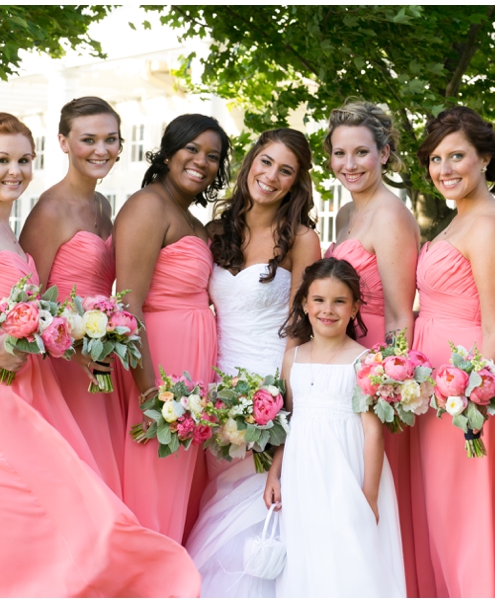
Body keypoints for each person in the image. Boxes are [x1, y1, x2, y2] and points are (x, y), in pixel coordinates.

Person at [0, 113, 200, 597]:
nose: (15, 170)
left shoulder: (2, 226)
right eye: (2, 160)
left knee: (48, 513)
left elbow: (36, 307)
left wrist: (77, 343)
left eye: (24, 159)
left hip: (14, 387)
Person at [184, 128, 320, 597]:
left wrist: (284, 399)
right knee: (221, 497)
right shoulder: (215, 231)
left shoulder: (302, 239)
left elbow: (301, 328)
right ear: (250, 164)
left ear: (297, 182)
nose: (271, 176)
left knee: (262, 504)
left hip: (270, 387)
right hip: (216, 386)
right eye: (265, 162)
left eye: (286, 170)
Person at [412, 105, 495, 597]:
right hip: (431, 383)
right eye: (436, 159)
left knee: (462, 512)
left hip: (464, 393)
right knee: (437, 507)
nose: (445, 169)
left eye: (457, 156)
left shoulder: (491, 226)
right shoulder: (457, 220)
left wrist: (473, 400)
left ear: (484, 160)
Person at [323, 99, 424, 595]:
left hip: (372, 374)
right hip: (338, 361)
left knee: (370, 489)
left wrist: (386, 388)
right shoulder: (346, 212)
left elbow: (402, 313)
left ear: (385, 154)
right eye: (340, 153)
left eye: (361, 152)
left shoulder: (390, 216)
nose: (350, 164)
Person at [115, 113, 230, 544]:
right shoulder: (148, 206)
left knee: (182, 481)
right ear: (168, 152)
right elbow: (128, 303)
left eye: (212, 156)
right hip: (161, 368)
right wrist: (150, 394)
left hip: (193, 369)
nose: (201, 161)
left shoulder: (189, 217)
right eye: (192, 149)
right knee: (155, 477)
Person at [264, 258, 405, 597]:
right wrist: (274, 474)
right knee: (308, 553)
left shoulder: (364, 361)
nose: (328, 310)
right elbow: (289, 420)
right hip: (302, 471)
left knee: (351, 553)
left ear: (355, 306)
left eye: (339, 301)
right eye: (319, 300)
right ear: (304, 303)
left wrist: (368, 497)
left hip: (348, 469)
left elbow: (372, 432)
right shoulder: (293, 359)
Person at [19, 97, 123, 492]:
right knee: (75, 476)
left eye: (110, 139)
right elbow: (29, 298)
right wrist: (74, 353)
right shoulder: (51, 210)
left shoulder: (102, 203)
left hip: (100, 356)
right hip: (63, 361)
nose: (102, 150)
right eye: (88, 139)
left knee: (102, 469)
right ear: (63, 142)